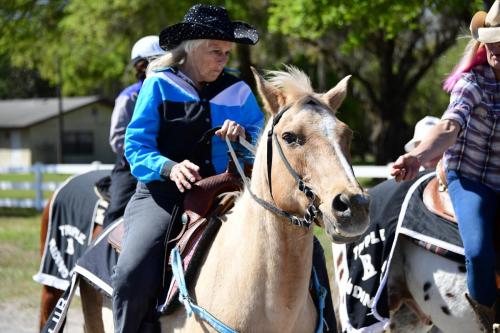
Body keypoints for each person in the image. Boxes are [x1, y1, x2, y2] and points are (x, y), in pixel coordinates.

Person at [111, 5, 264, 333]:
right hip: (164, 195)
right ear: (192, 48)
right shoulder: (158, 85)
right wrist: (168, 167)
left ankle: (324, 320)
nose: (223, 59)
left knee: (301, 244)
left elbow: (263, 138)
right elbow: (136, 148)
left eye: (227, 52)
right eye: (215, 51)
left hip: (230, 191)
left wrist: (245, 135)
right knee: (132, 272)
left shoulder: (239, 90)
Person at [391, 1, 500, 330]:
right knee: (479, 251)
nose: (494, 46)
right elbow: (449, 127)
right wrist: (419, 156)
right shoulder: (473, 83)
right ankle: (489, 320)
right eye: (491, 39)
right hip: (470, 180)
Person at [103, 35, 165, 228]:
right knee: (117, 209)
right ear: (140, 66)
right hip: (132, 168)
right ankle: (104, 250)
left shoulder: (170, 91)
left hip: (168, 164)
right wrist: (145, 155)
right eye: (156, 61)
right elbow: (118, 138)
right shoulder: (129, 96)